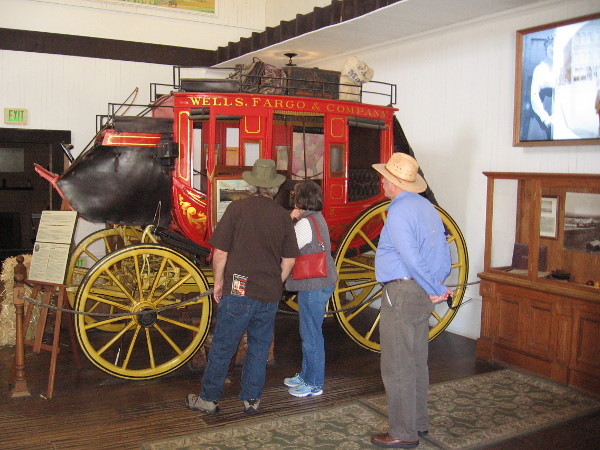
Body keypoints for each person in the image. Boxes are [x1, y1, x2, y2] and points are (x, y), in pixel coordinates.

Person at [185, 158, 299, 415]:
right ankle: (251, 399)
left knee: (224, 345)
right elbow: (289, 260)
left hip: (238, 287)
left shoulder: (237, 210)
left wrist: (218, 284)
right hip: (268, 293)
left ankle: (209, 399)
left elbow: (220, 254)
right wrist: (274, 282)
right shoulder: (282, 217)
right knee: (259, 347)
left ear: (252, 186)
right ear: (273, 188)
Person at [370, 153, 452, 449]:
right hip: (420, 293)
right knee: (417, 360)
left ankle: (404, 432)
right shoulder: (428, 207)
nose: (382, 181)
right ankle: (417, 422)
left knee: (397, 364)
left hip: (402, 293)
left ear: (393, 183)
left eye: (385, 177)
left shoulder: (399, 212)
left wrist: (434, 285)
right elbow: (442, 251)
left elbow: (410, 256)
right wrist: (438, 285)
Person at [283, 181, 338, 397]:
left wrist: (291, 219)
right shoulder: (316, 218)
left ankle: (314, 383)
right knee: (309, 331)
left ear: (301, 199)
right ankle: (306, 374)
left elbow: (286, 245)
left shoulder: (305, 223)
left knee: (311, 334)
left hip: (314, 284)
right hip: (321, 281)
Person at [528, 35, 555, 140]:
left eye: (555, 46)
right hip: (541, 114)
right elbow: (534, 96)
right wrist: (545, 118)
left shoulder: (561, 68)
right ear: (546, 49)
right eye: (550, 46)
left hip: (556, 115)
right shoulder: (540, 69)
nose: (553, 49)